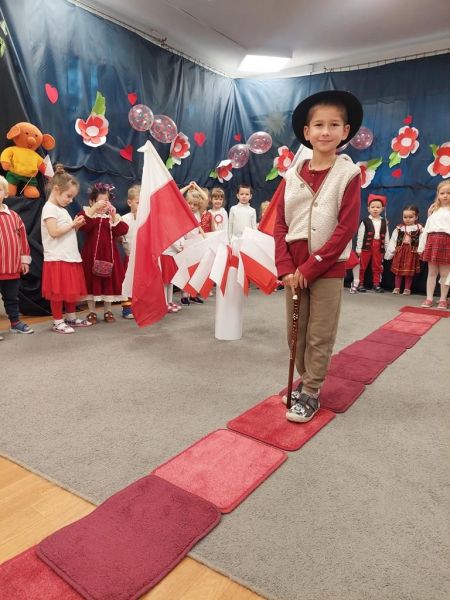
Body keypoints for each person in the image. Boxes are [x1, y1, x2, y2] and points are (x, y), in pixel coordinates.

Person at [275, 89, 363, 422]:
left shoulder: (348, 174)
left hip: (327, 267)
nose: (326, 131)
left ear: (345, 131)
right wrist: (286, 267)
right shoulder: (291, 176)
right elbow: (279, 223)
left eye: (334, 125)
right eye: (319, 125)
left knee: (319, 333)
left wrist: (313, 266)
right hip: (293, 267)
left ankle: (311, 390)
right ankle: (305, 378)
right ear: (307, 131)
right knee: (295, 333)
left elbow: (346, 227)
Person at [41, 165, 91, 334]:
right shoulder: (49, 208)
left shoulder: (61, 209)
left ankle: (70, 317)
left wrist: (76, 226)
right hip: (57, 257)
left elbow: (66, 232)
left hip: (69, 256)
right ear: (56, 190)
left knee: (70, 289)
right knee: (58, 292)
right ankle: (57, 321)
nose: (70, 200)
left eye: (72, 197)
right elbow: (54, 232)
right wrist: (72, 225)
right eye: (68, 196)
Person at [78, 183, 129, 323]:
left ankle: (108, 311)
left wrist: (113, 216)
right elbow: (83, 225)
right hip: (91, 255)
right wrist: (93, 209)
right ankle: (92, 312)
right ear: (91, 202)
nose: (103, 205)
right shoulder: (89, 215)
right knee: (91, 281)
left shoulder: (111, 218)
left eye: (106, 201)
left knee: (108, 282)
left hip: (109, 256)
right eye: (99, 201)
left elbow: (122, 230)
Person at [0, 175, 33, 336]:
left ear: (6, 193)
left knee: (12, 297)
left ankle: (15, 322)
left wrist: (24, 260)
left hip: (12, 266)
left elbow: (23, 239)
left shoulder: (14, 216)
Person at [418, 181, 450, 309]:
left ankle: (442, 299)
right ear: (438, 195)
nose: (445, 196)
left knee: (445, 274)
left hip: (447, 242)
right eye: (442, 193)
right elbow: (427, 229)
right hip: (432, 241)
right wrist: (421, 246)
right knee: (432, 273)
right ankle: (429, 298)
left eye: (448, 193)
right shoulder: (433, 210)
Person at [384, 205, 423, 295]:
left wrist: (421, 251)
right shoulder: (399, 228)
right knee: (398, 271)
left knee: (409, 272)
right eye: (405, 217)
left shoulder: (419, 229)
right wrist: (390, 253)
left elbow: (422, 241)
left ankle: (407, 288)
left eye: (410, 217)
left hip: (411, 252)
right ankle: (397, 287)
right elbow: (393, 240)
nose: (407, 219)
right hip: (400, 251)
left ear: (416, 217)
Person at [355, 194, 389, 292]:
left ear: (382, 209)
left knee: (377, 266)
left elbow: (386, 236)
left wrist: (386, 248)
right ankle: (360, 283)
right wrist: (358, 248)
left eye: (378, 207)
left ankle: (376, 284)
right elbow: (360, 235)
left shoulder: (384, 222)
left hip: (379, 246)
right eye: (373, 207)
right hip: (366, 246)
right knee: (362, 265)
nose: (375, 209)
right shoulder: (365, 221)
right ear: (368, 209)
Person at [121, 184, 140, 319]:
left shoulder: (146, 218)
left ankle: (139, 306)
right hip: (130, 257)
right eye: (138, 203)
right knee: (128, 282)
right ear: (129, 202)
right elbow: (119, 236)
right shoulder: (125, 219)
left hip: (143, 258)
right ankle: (127, 308)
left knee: (141, 283)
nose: (141, 206)